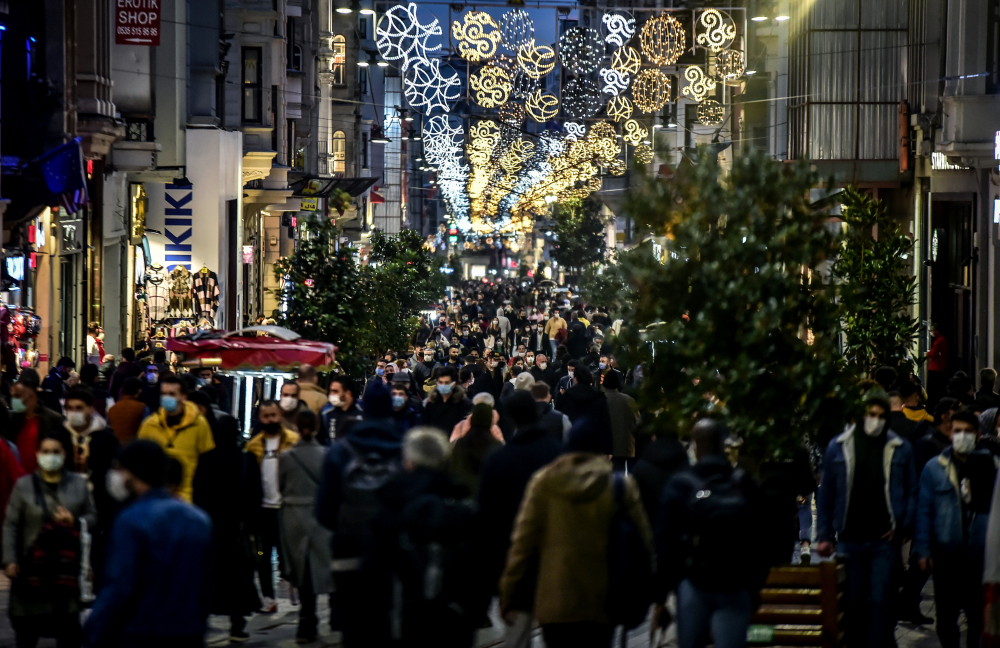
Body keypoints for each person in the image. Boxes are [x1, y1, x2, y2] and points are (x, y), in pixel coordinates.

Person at [500, 415, 652, 648]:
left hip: (555, 599)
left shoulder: (543, 483)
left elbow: (523, 543)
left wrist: (509, 593)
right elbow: (644, 541)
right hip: (604, 599)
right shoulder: (620, 486)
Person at [84, 440, 213, 648]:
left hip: (141, 631)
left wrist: (94, 631)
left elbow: (119, 588)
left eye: (120, 469)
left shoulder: (131, 520)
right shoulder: (198, 520)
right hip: (188, 631)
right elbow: (205, 587)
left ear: (132, 472)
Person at [655, 419, 769, 648]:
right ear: (723, 445)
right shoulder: (745, 484)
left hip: (694, 584)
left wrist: (661, 597)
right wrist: (754, 587)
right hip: (735, 584)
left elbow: (665, 544)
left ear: (696, 447)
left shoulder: (681, 485)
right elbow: (762, 539)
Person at [816, 392, 917, 648]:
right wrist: (825, 534)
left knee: (883, 600)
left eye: (882, 416)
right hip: (850, 538)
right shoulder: (839, 446)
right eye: (871, 415)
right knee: (854, 601)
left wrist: (903, 526)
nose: (877, 421)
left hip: (884, 539)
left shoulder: (899, 448)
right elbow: (826, 492)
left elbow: (911, 489)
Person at [366, 427, 478, 647]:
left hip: (401, 621)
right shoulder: (464, 508)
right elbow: (479, 573)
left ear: (408, 460)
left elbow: (373, 572)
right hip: (452, 623)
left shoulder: (390, 506)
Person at [315, 382, 403, 648]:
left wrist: (342, 526)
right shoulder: (403, 448)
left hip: (349, 549)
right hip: (391, 553)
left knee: (352, 625)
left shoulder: (341, 450)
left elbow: (324, 508)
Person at [2, 431, 96, 648]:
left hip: (66, 571)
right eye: (46, 452)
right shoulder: (23, 486)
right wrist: (9, 559)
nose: (50, 456)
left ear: (64, 454)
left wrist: (75, 520)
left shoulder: (78, 484)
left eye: (56, 452)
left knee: (68, 632)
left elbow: (92, 517)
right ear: (37, 454)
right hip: (32, 570)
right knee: (27, 633)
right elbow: (11, 524)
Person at [912, 410, 996, 648]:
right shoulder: (934, 468)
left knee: (978, 619)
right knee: (946, 621)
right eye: (957, 431)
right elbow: (924, 511)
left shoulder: (992, 465)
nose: (962, 436)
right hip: (946, 555)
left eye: (967, 432)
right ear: (949, 433)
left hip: (980, 556)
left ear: (978, 435)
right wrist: (923, 549)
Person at [191, 402, 262, 642]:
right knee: (239, 579)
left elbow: (198, 494)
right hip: (238, 529)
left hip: (212, 528)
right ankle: (237, 624)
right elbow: (256, 495)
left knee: (210, 577)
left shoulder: (206, 460)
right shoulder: (247, 460)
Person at [278, 410, 334, 643]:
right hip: (318, 516)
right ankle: (317, 619)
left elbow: (281, 487)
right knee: (317, 568)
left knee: (299, 570)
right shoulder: (327, 455)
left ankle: (305, 619)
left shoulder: (285, 457)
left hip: (292, 517)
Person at [245, 399, 300, 614]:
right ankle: (268, 597)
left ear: (280, 416)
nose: (270, 420)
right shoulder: (254, 445)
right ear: (260, 418)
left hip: (287, 507)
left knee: (291, 555)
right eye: (266, 416)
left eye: (274, 415)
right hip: (263, 509)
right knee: (263, 557)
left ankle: (297, 588)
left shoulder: (292, 441)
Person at [62, 387, 120, 588]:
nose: (74, 413)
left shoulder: (106, 439)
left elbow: (113, 477)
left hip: (98, 510)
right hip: (63, 511)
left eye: (79, 408)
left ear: (90, 409)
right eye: (70, 408)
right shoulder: (58, 436)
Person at [137, 374, 216, 502]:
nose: (166, 398)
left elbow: (207, 464)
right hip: (155, 499)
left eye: (172, 394)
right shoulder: (150, 425)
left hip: (187, 498)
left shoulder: (199, 424)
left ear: (183, 396)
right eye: (163, 394)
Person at [6, 369, 66, 473]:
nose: (14, 400)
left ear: (31, 395)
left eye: (18, 396)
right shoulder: (11, 420)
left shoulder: (53, 419)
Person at [631, 429, 688, 525]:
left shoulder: (641, 467)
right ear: (677, 437)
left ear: (654, 437)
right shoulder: (686, 466)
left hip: (650, 528)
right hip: (679, 531)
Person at [448, 402, 503, 497]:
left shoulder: (460, 443)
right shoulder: (496, 445)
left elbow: (452, 469)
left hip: (462, 494)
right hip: (487, 495)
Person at [555, 367, 612, 454]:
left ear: (576, 379)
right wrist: (608, 449)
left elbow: (558, 417)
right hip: (595, 443)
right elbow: (606, 423)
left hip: (571, 441)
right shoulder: (599, 397)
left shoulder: (567, 396)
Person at [603, 371, 638, 469]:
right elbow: (637, 421)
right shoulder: (629, 400)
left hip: (607, 447)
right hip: (626, 444)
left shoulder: (600, 399)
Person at [421, 368, 473, 434]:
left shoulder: (464, 404)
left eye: (447, 383)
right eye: (440, 382)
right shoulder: (431, 404)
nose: (443, 385)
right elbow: (425, 427)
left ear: (454, 384)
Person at [319, 376, 363, 444]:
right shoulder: (326, 413)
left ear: (347, 393)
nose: (331, 394)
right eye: (330, 391)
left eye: (335, 391)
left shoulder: (362, 413)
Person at [926, 323, 948, 406]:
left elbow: (933, 353)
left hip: (936, 368)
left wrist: (927, 354)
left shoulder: (939, 341)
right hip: (938, 367)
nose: (931, 332)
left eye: (932, 330)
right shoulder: (940, 340)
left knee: (933, 390)